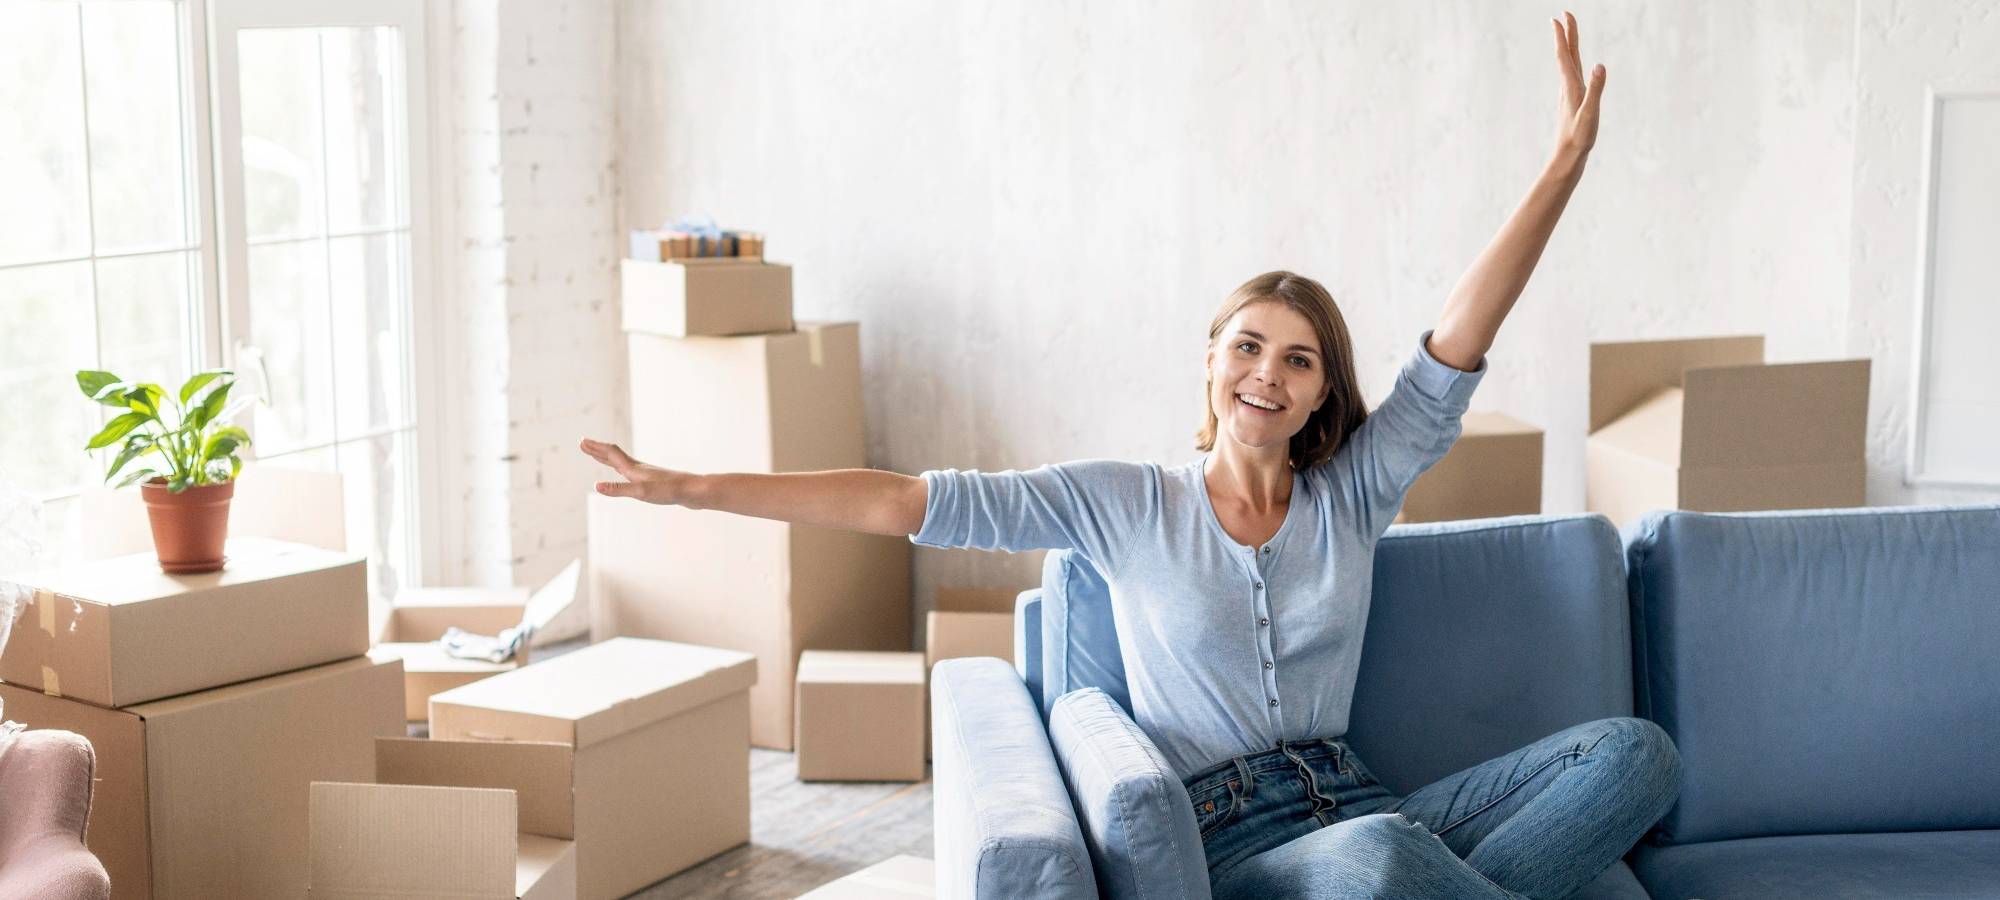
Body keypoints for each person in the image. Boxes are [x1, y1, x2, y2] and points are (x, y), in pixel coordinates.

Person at [581, 12, 1677, 898]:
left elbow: (1454, 344)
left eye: (1298, 361)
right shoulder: (1121, 504)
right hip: (1241, 844)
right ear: (1209, 362)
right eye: (1246, 346)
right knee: (1381, 865)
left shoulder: (1353, 495)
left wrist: (1561, 166)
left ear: (1320, 394)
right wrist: (691, 488)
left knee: (1634, 756)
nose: (1267, 372)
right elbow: (902, 502)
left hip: (1363, 801)